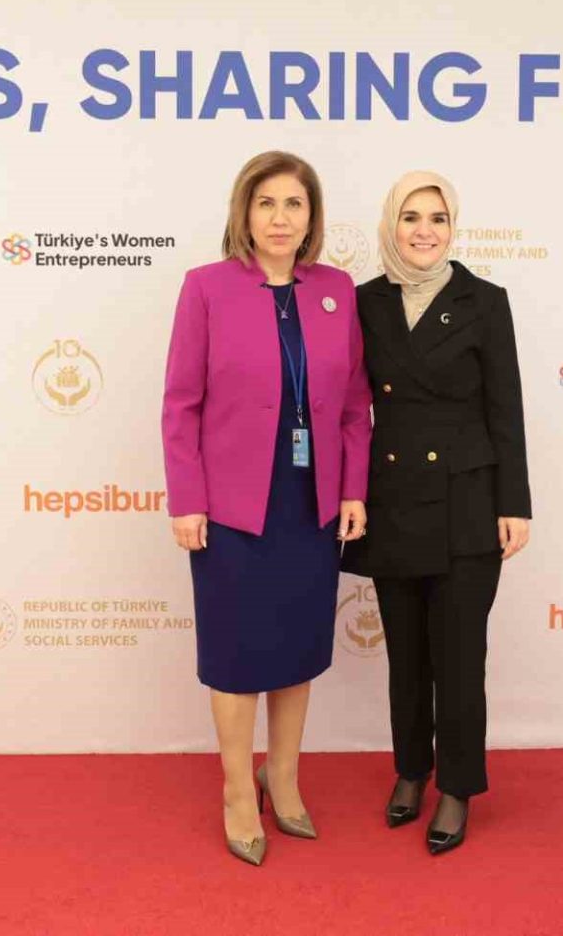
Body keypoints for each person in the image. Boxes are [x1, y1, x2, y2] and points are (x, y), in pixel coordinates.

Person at [161, 150, 371, 866]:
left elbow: (354, 405)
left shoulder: (337, 290)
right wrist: (188, 500)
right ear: (244, 213)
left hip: (310, 504)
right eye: (267, 203)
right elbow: (181, 404)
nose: (281, 218)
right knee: (235, 653)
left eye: (295, 204)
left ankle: (282, 777)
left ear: (312, 217)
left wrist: (353, 489)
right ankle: (236, 791)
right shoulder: (207, 287)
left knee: (295, 646)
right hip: (230, 508)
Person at [341, 171, 531, 856]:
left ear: (453, 227)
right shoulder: (364, 301)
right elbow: (349, 406)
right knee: (406, 654)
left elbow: (505, 407)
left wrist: (514, 503)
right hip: (393, 498)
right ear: (391, 224)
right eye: (411, 217)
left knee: (458, 655)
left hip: (466, 504)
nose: (425, 230)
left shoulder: (485, 301)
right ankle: (411, 769)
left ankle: (457, 784)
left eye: (438, 218)